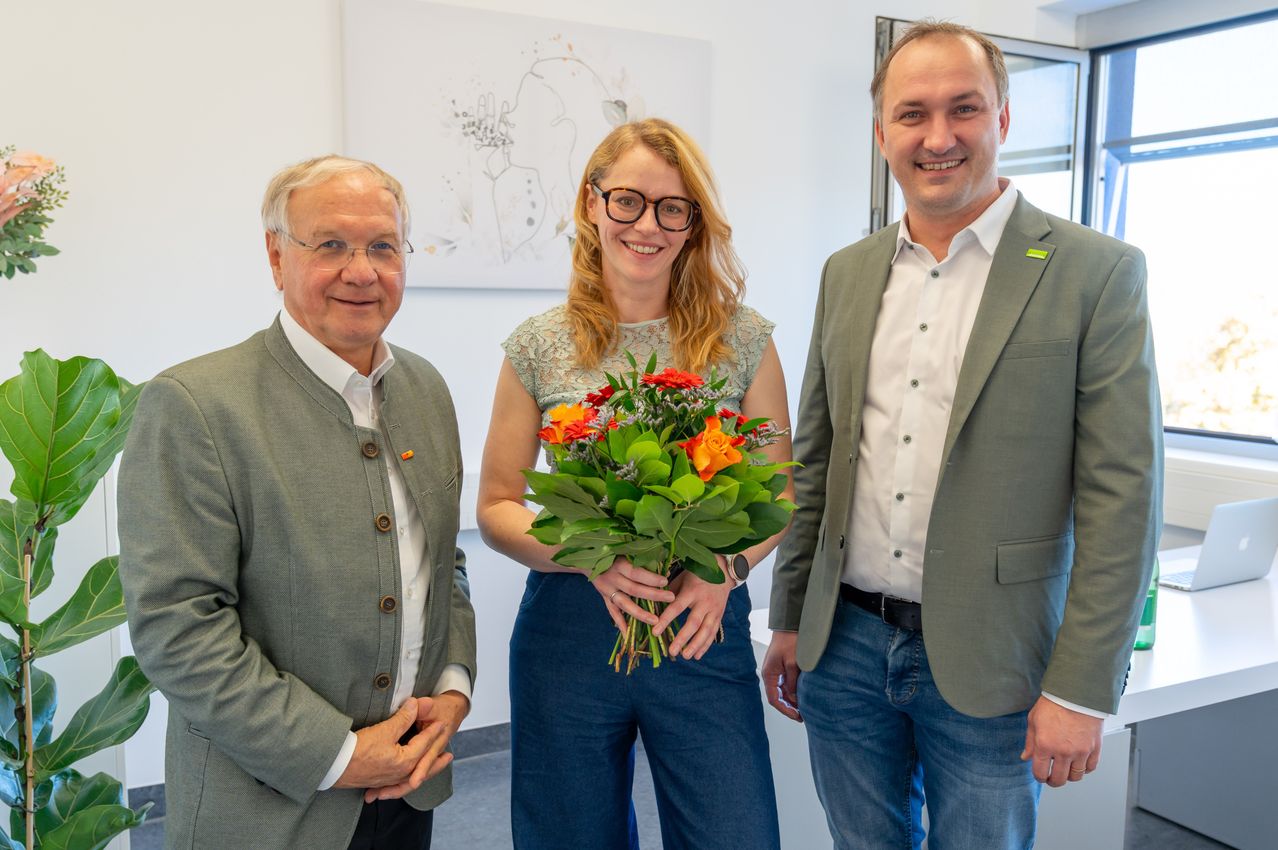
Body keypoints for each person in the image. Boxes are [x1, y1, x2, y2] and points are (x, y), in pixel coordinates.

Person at [762, 20, 1163, 850]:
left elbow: (1124, 499)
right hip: (846, 647)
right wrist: (792, 616)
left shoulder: (1097, 273)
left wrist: (1082, 690)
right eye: (911, 114)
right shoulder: (847, 272)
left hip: (999, 662)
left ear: (1004, 120)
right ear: (881, 134)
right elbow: (817, 458)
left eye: (964, 109)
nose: (937, 137)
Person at [118, 155, 477, 850]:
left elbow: (442, 563)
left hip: (410, 786)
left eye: (382, 246)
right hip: (268, 810)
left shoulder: (427, 389)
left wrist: (454, 691)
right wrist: (341, 755)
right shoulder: (194, 405)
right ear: (276, 256)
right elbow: (177, 628)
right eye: (331, 245)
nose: (361, 270)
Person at [477, 118, 791, 850]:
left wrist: (725, 571)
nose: (647, 224)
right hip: (569, 627)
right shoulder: (538, 344)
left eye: (672, 208)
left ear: (693, 225)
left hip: (700, 620)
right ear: (591, 204)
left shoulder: (744, 340)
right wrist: (595, 560)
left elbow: (779, 495)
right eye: (627, 201)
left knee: (734, 832)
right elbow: (495, 506)